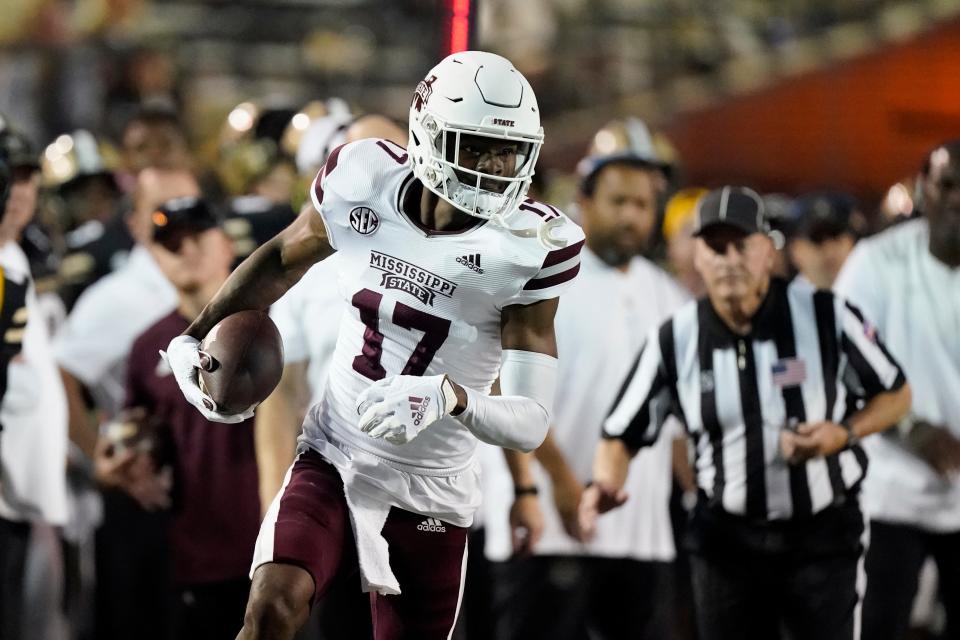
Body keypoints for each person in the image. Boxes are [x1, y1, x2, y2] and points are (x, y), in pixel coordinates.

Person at [162, 50, 584, 639]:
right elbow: (281, 257)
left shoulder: (528, 249)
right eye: (477, 147)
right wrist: (191, 336)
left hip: (432, 489)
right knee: (270, 611)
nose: (496, 167)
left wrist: (450, 399)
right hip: (335, 453)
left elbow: (530, 422)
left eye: (508, 150)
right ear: (429, 136)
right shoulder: (364, 181)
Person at [581, 186, 912, 640]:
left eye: (741, 245)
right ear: (697, 256)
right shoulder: (675, 338)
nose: (728, 260)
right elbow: (621, 431)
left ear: (768, 252)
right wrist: (605, 481)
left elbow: (895, 393)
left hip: (822, 536)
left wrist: (843, 433)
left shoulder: (826, 315)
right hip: (726, 544)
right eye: (715, 248)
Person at [482, 138, 689, 639]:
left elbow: (676, 422)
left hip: (640, 533)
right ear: (585, 201)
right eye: (618, 201)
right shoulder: (545, 276)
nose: (631, 217)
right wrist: (559, 482)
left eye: (642, 205)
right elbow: (507, 386)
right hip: (545, 525)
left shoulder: (669, 296)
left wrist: (697, 495)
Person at [834, 140, 960, 640]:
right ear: (924, 189)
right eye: (947, 185)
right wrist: (909, 427)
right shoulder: (875, 262)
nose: (957, 199)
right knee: (879, 627)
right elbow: (839, 361)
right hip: (890, 495)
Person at [122, 196, 260, 639]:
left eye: (197, 235)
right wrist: (129, 462)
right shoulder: (148, 347)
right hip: (194, 554)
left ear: (226, 243)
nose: (186, 251)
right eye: (171, 244)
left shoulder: (277, 321)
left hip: (280, 545)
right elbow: (136, 437)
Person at [0, 123, 69, 640]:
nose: (18, 191)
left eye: (27, 177)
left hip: (21, 495)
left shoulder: (18, 255)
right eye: (9, 176)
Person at [788, 192, 863, 290]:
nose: (829, 248)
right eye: (816, 238)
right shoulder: (783, 302)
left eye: (836, 235)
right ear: (795, 250)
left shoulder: (873, 296)